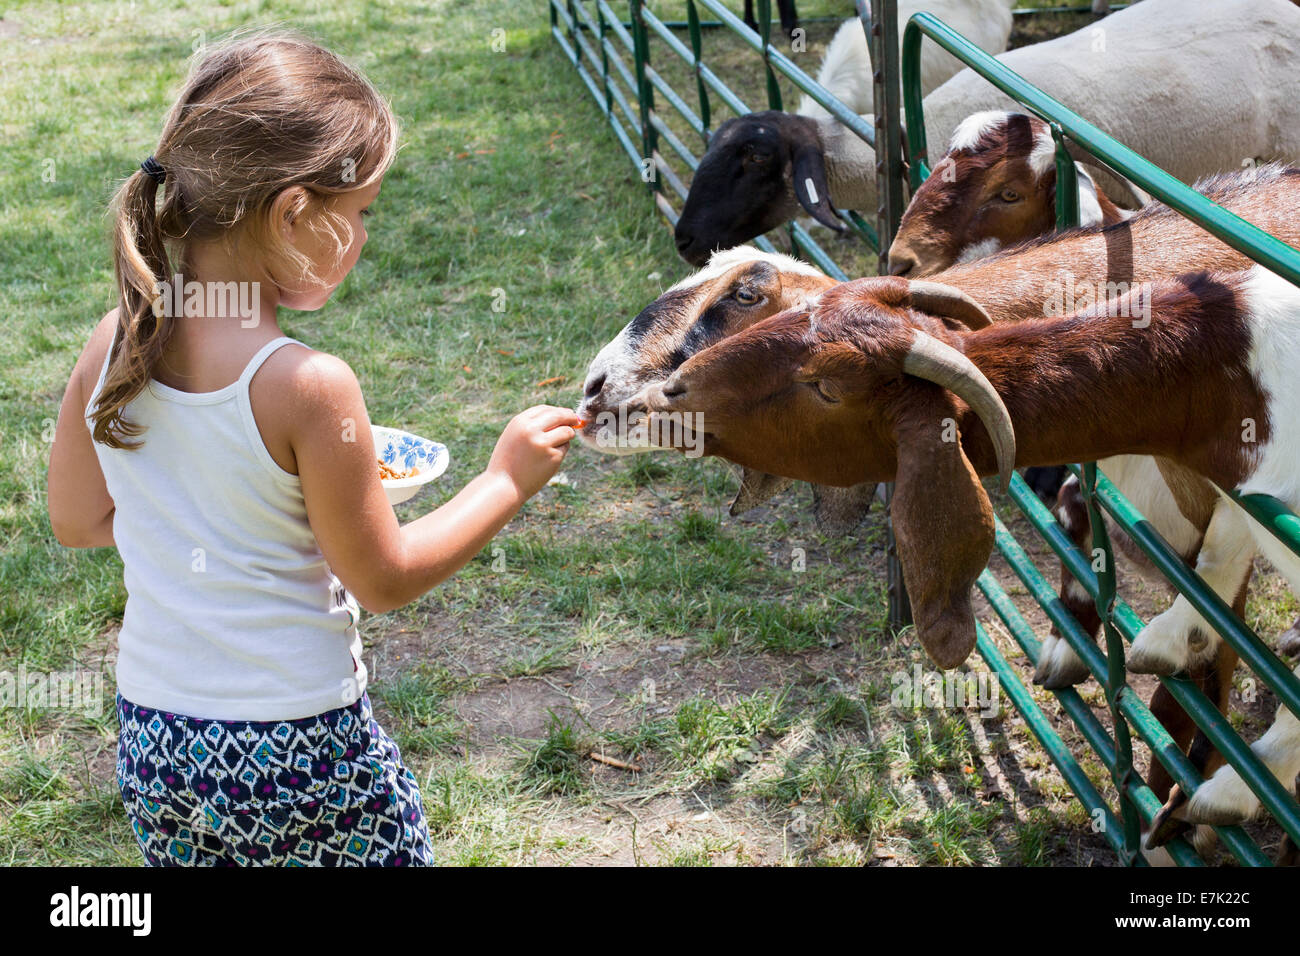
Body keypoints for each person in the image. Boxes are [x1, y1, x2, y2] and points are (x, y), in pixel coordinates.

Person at [45, 28, 582, 866]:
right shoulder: (307, 384)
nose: (365, 235)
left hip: (156, 744)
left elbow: (78, 520)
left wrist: (210, 527)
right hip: (299, 751)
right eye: (360, 211)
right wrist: (504, 479)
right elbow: (382, 576)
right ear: (295, 211)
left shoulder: (112, 340)